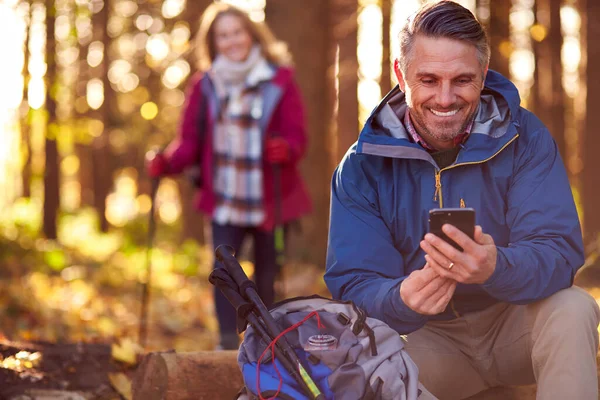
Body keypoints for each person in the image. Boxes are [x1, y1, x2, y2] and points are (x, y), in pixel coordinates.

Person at [324, 1, 600, 399]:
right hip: (427, 338)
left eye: (462, 80)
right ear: (401, 75)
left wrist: (496, 266)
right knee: (370, 368)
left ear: (484, 75)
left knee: (574, 308)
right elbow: (353, 286)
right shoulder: (361, 165)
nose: (445, 98)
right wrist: (401, 298)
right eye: (430, 79)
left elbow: (559, 252)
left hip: (516, 324)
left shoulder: (526, 138)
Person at [146, 2, 311, 350]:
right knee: (225, 277)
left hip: (269, 198)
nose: (232, 40)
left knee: (266, 278)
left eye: (237, 32)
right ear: (214, 43)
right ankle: (226, 346)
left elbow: (298, 136)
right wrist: (166, 162)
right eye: (223, 36)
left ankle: (267, 347)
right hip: (223, 199)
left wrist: (287, 148)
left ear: (251, 34)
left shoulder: (279, 79)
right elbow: (189, 142)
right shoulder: (205, 85)